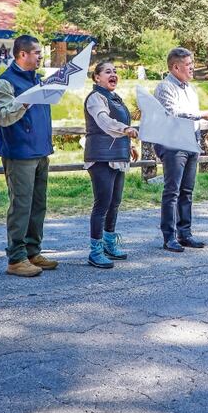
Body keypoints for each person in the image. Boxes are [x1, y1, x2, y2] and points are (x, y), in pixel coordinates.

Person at [0, 35, 55, 277]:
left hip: (40, 150)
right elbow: (3, 117)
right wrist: (26, 101)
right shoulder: (6, 82)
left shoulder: (37, 80)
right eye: (37, 52)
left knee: (38, 204)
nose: (41, 56)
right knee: (21, 205)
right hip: (19, 152)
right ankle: (16, 257)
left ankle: (32, 251)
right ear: (22, 54)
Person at [153, 47, 208, 253]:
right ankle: (169, 237)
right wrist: (201, 115)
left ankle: (185, 234)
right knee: (172, 191)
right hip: (173, 144)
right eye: (188, 65)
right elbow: (173, 112)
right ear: (175, 67)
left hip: (191, 142)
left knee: (187, 191)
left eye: (192, 64)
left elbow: (191, 116)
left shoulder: (190, 89)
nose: (192, 68)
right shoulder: (165, 87)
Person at [84, 60, 139, 268]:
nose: (113, 74)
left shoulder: (115, 98)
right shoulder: (95, 98)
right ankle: (95, 251)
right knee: (102, 204)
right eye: (108, 72)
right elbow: (104, 122)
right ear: (97, 77)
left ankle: (108, 243)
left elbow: (120, 125)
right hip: (101, 157)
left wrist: (129, 144)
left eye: (115, 71)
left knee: (115, 202)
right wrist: (125, 129)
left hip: (117, 155)